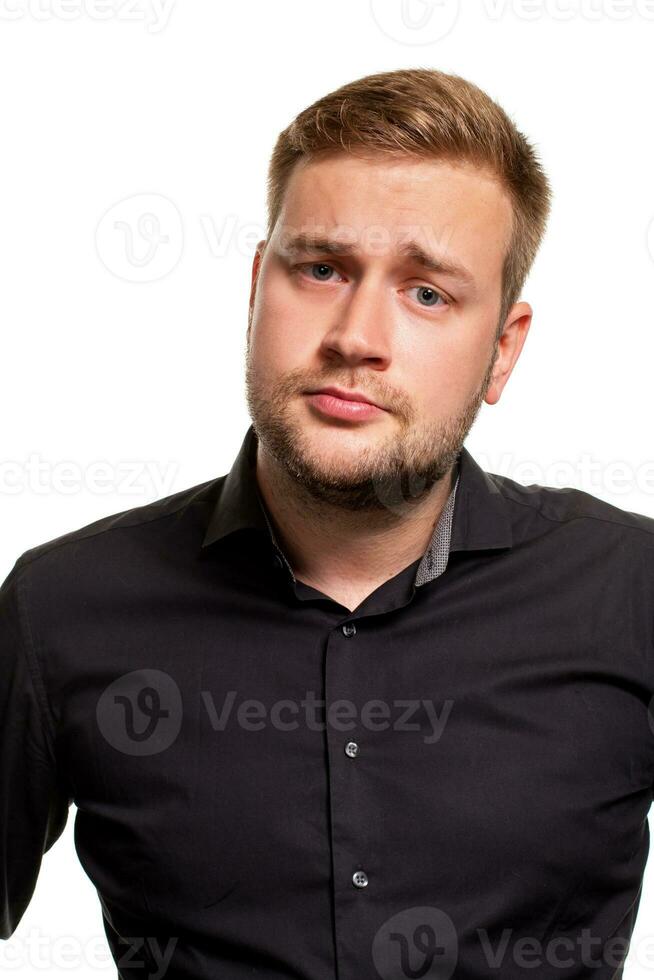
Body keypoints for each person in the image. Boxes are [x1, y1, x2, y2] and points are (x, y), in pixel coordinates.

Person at [2, 66, 653, 979]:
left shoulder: (632, 591)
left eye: (427, 293)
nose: (355, 335)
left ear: (502, 351)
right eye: (322, 269)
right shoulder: (59, 607)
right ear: (258, 286)